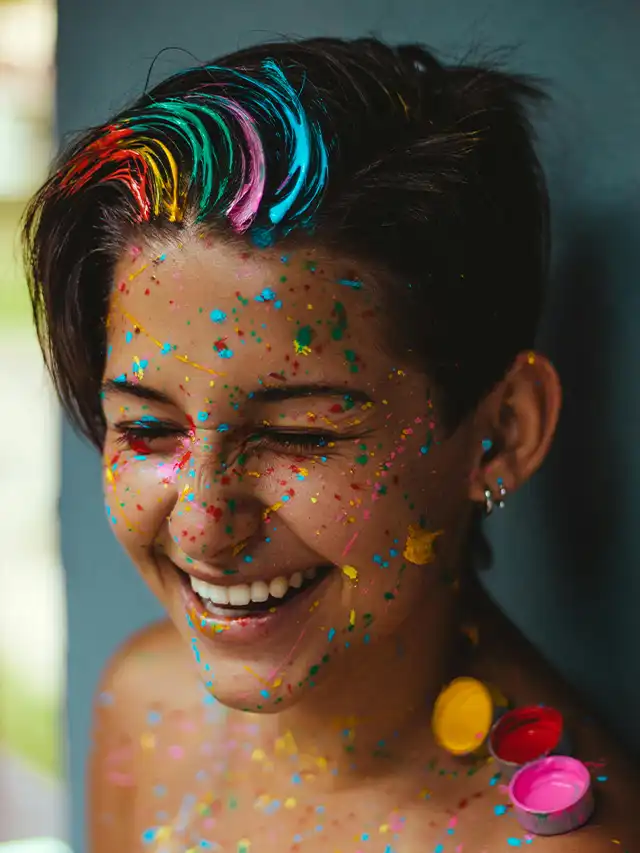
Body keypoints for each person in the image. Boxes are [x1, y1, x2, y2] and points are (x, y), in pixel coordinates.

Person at [22, 36, 638, 853]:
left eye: (296, 432)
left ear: (502, 431)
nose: (203, 524)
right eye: (148, 428)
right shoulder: (147, 703)